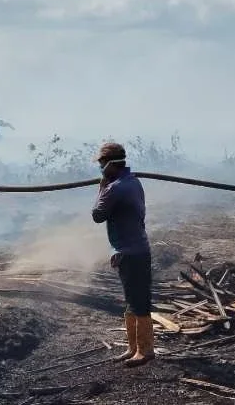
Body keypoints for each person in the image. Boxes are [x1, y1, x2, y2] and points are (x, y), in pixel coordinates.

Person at [90, 141, 155, 367]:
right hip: (132, 249)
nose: (100, 168)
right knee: (131, 300)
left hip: (132, 252)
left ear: (110, 164)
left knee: (138, 301)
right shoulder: (133, 182)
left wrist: (101, 189)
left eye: (101, 164)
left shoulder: (115, 188)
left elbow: (97, 215)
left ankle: (145, 350)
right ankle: (133, 347)